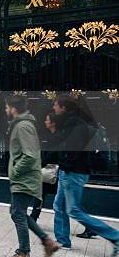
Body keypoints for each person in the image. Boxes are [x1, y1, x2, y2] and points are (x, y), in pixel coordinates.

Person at [52, 94, 119, 254]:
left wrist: (64, 163)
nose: (53, 108)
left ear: (63, 108)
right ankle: (63, 240)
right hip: (68, 171)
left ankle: (115, 236)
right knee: (59, 205)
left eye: (55, 105)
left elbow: (73, 152)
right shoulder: (71, 122)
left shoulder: (76, 125)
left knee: (73, 210)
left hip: (73, 172)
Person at [5, 95, 59, 257]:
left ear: (13, 108)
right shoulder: (21, 124)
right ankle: (46, 242)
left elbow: (30, 156)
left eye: (7, 107)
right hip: (25, 178)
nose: (6, 110)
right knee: (17, 212)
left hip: (25, 179)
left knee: (17, 213)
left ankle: (24, 251)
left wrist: (15, 172)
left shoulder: (23, 126)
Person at [30, 112, 61, 222]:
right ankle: (33, 217)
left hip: (55, 172)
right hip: (49, 172)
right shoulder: (51, 135)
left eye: (47, 120)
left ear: (53, 123)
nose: (45, 121)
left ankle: (89, 226)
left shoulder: (57, 137)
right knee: (40, 193)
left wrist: (40, 164)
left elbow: (52, 155)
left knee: (71, 203)